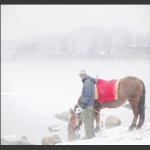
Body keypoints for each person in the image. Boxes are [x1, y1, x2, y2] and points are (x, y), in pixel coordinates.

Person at [79, 69, 97, 140]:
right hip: (90, 103)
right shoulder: (89, 81)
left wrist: (84, 103)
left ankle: (88, 134)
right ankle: (92, 133)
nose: (79, 78)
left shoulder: (87, 81)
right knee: (90, 118)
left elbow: (87, 94)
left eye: (80, 76)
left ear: (82, 76)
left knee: (86, 118)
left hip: (87, 104)